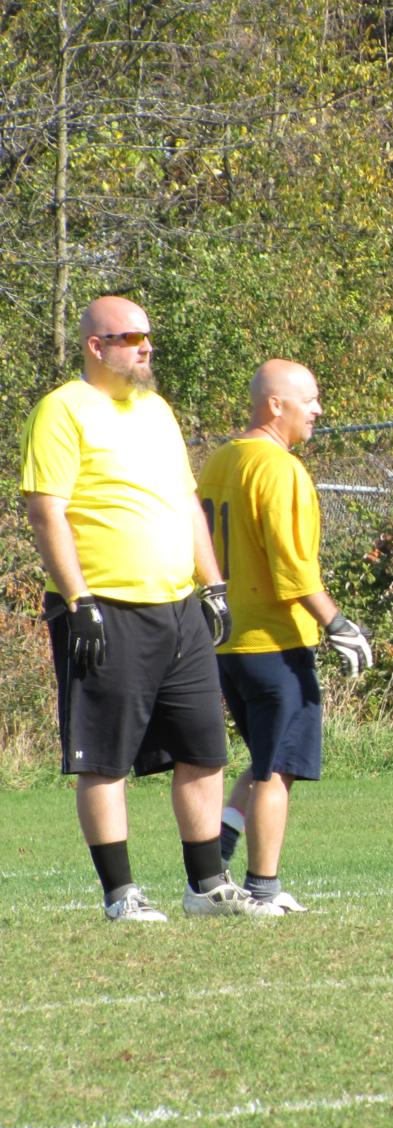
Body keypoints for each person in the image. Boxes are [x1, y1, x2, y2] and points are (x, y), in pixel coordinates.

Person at [20, 295, 280, 920]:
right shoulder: (62, 409)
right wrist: (78, 599)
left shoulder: (157, 410)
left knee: (203, 749)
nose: (146, 347)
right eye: (132, 337)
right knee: (104, 756)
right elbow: (46, 510)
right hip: (104, 606)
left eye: (147, 336)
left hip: (177, 606)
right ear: (97, 345)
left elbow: (185, 502)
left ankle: (207, 886)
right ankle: (121, 893)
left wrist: (211, 585)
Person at [198, 359, 372, 914]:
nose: (318, 409)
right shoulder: (279, 468)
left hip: (229, 643)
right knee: (279, 769)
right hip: (274, 642)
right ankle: (262, 888)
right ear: (276, 405)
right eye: (310, 398)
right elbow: (292, 568)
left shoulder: (221, 459)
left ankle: (220, 851)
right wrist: (337, 623)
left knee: (263, 757)